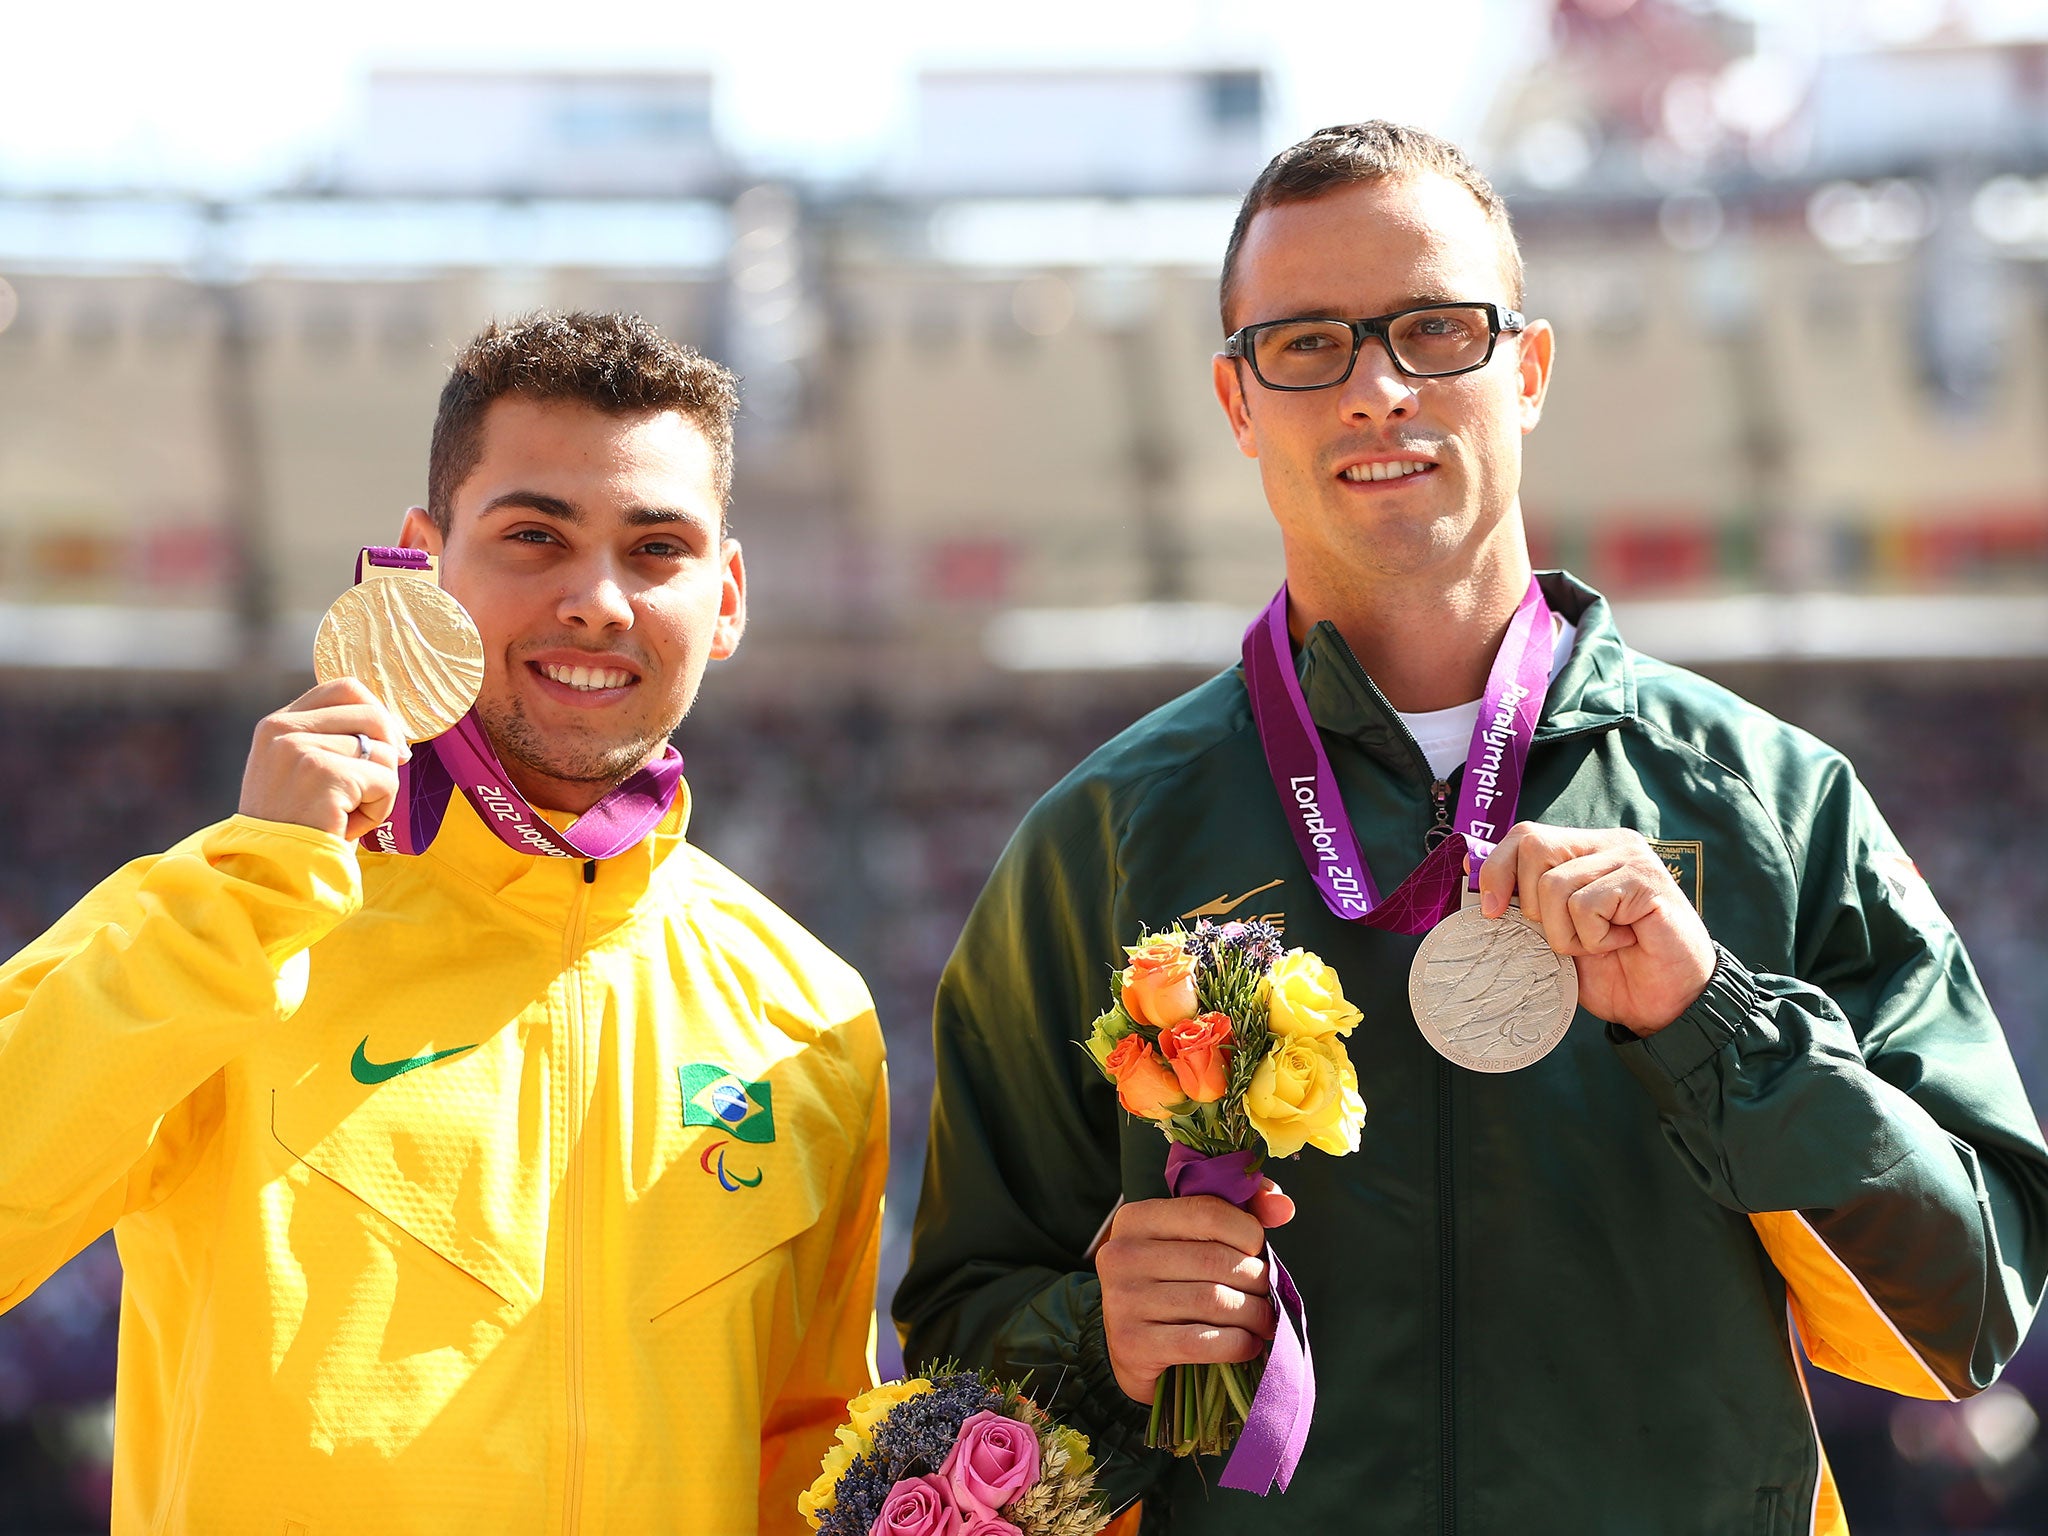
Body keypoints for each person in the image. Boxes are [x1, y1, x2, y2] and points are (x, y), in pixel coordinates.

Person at [894, 123, 2048, 1533]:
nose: (1377, 388)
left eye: (1435, 331)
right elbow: (949, 1349)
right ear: (1238, 401)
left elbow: (1973, 1302)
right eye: (1306, 344)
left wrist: (1718, 1022)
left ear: (1531, 368)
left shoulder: (1774, 805)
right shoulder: (1104, 841)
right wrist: (1096, 1332)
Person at [0, 312, 887, 1535]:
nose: (598, 601)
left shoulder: (813, 1010)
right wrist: (249, 889)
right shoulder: (235, 917)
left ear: (725, 597)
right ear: (418, 561)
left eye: (657, 548)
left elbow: (809, 1459)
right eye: (534, 535)